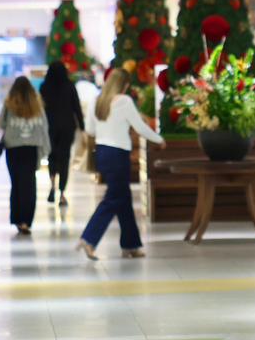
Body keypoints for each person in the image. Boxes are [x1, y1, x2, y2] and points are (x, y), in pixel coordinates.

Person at [76, 68, 164, 260]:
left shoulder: (97, 101)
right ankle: (89, 238)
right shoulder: (124, 101)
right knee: (114, 199)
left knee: (123, 199)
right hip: (118, 154)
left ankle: (131, 245)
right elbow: (140, 127)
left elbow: (90, 129)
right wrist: (158, 140)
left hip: (102, 153)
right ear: (124, 85)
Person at [0, 76, 50, 235]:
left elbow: (1, 124)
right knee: (29, 184)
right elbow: (44, 126)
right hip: (31, 149)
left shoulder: (9, 103)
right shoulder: (36, 104)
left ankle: (17, 219)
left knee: (16, 184)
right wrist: (45, 148)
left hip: (13, 148)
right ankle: (27, 220)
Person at [40, 63, 84, 207]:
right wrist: (82, 127)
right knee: (64, 158)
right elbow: (76, 106)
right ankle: (62, 194)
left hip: (49, 126)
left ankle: (52, 185)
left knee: (52, 156)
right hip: (67, 127)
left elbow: (41, 108)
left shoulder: (44, 86)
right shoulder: (69, 86)